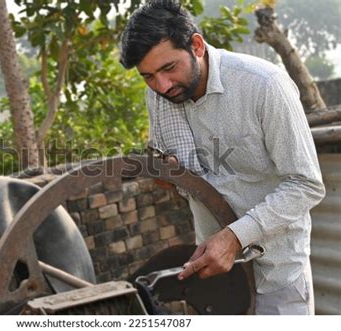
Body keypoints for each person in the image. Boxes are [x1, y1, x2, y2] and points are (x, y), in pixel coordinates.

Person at [119, 0, 325, 315]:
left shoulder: (264, 85)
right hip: (216, 276)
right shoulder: (160, 96)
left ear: (197, 45)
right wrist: (169, 173)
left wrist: (234, 237)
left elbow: (306, 184)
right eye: (148, 76)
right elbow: (176, 169)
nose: (161, 85)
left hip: (277, 273)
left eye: (168, 68)